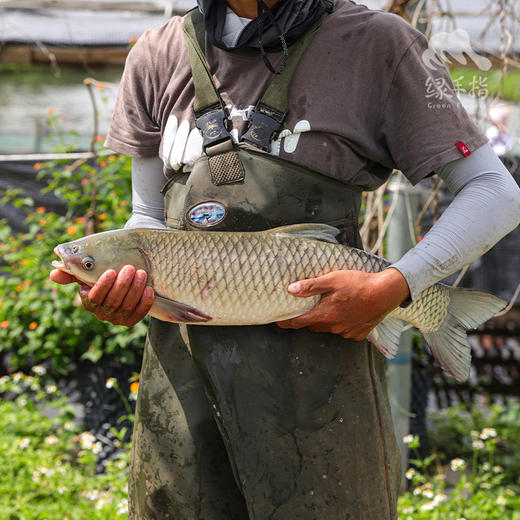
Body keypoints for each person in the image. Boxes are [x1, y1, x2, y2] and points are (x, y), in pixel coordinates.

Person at [51, 0, 520, 518]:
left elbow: (495, 192)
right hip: (183, 387)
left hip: (320, 384)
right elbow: (148, 218)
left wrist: (395, 286)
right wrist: (120, 284)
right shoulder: (157, 51)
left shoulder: (382, 44)